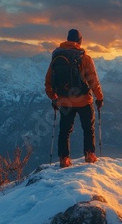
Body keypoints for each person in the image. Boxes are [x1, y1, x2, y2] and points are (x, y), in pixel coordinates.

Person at [45, 29, 104, 168]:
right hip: (84, 100)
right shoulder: (84, 58)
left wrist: (54, 98)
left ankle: (64, 159)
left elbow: (48, 81)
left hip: (65, 100)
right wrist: (99, 97)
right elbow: (93, 81)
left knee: (64, 131)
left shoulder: (56, 57)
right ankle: (89, 155)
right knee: (88, 129)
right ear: (79, 41)